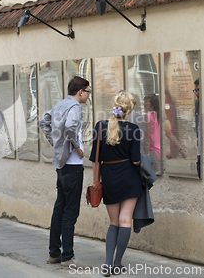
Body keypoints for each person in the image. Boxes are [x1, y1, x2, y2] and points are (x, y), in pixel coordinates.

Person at [39, 76, 90, 269]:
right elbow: (70, 128)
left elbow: (44, 123)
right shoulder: (75, 107)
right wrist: (76, 146)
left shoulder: (60, 104)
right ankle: (68, 257)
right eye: (87, 91)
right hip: (73, 165)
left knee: (59, 208)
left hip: (61, 164)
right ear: (80, 92)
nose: (88, 95)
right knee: (71, 211)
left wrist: (56, 144)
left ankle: (54, 253)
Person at [90, 91, 142, 276]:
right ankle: (117, 263)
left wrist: (96, 180)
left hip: (110, 178)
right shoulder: (134, 129)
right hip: (130, 179)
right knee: (125, 220)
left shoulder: (100, 126)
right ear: (129, 109)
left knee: (113, 222)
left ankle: (106, 264)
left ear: (115, 104)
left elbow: (95, 160)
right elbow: (136, 160)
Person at [143, 94, 162, 175]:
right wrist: (181, 149)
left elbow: (148, 135)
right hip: (160, 150)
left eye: (146, 101)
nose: (144, 103)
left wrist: (145, 152)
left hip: (153, 149)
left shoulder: (147, 116)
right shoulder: (158, 116)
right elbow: (169, 133)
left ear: (151, 103)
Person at [194, 79, 201, 179]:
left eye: (199, 90)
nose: (196, 93)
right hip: (200, 147)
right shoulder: (197, 102)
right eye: (195, 90)